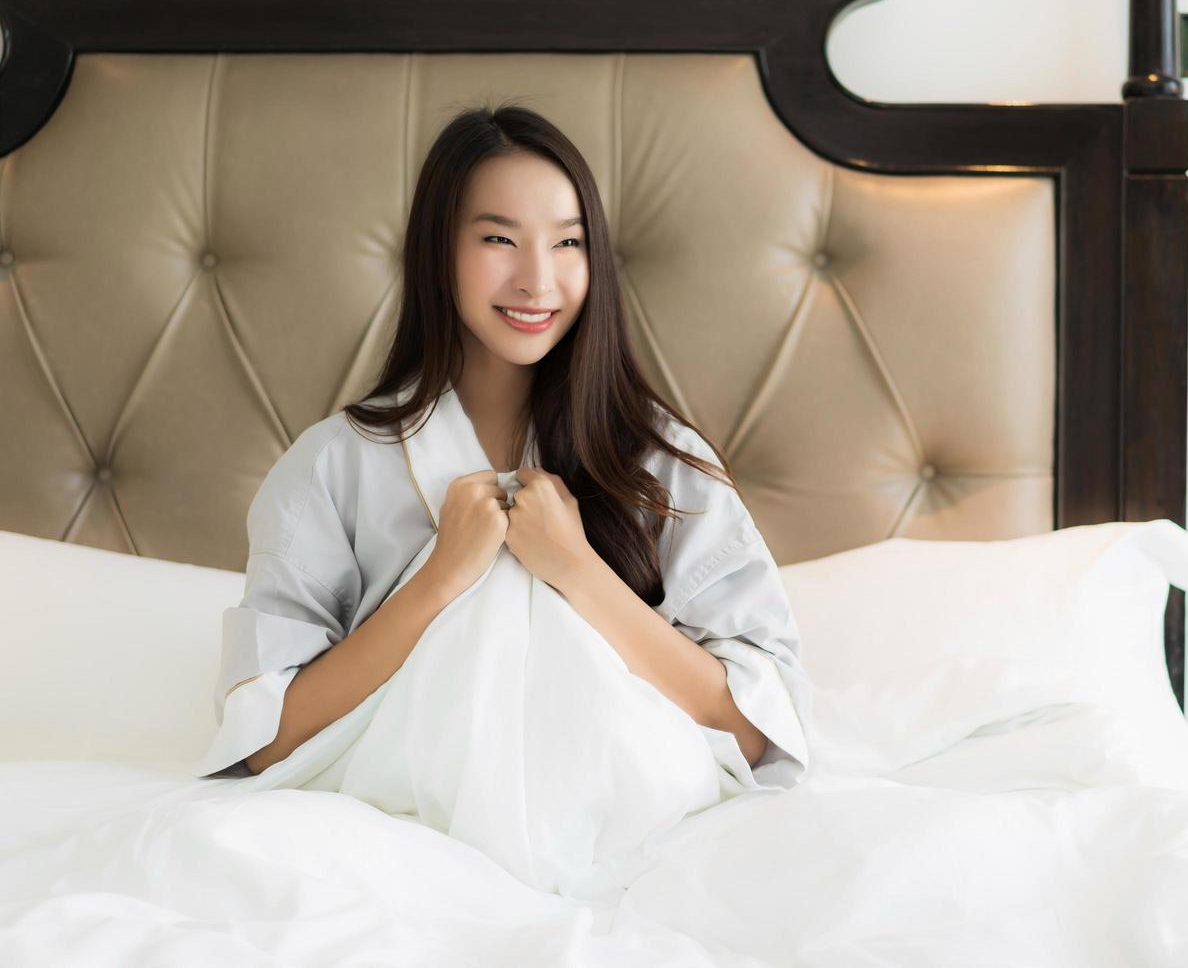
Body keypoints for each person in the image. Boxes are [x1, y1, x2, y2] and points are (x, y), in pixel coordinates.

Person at [190, 104, 812, 892]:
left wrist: (578, 572)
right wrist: (440, 580)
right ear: (436, 254)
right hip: (388, 845)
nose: (537, 279)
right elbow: (263, 737)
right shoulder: (331, 466)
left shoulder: (664, 460)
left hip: (645, 841)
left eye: (567, 241)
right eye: (497, 239)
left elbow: (762, 730)